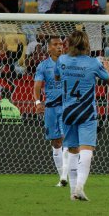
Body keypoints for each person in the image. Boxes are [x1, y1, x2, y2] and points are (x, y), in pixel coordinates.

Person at [55, 30, 109, 201]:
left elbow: (57, 76)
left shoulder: (62, 60)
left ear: (70, 44)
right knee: (87, 149)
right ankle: (80, 186)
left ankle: (73, 192)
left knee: (72, 150)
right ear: (87, 45)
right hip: (87, 112)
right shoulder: (93, 63)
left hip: (68, 111)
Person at [34, 36, 68, 187]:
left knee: (67, 139)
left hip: (67, 105)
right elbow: (37, 85)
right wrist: (37, 102)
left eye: (61, 44)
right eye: (55, 44)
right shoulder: (43, 66)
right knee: (56, 142)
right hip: (51, 107)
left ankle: (67, 176)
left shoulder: (69, 63)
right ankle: (62, 176)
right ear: (49, 48)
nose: (59, 47)